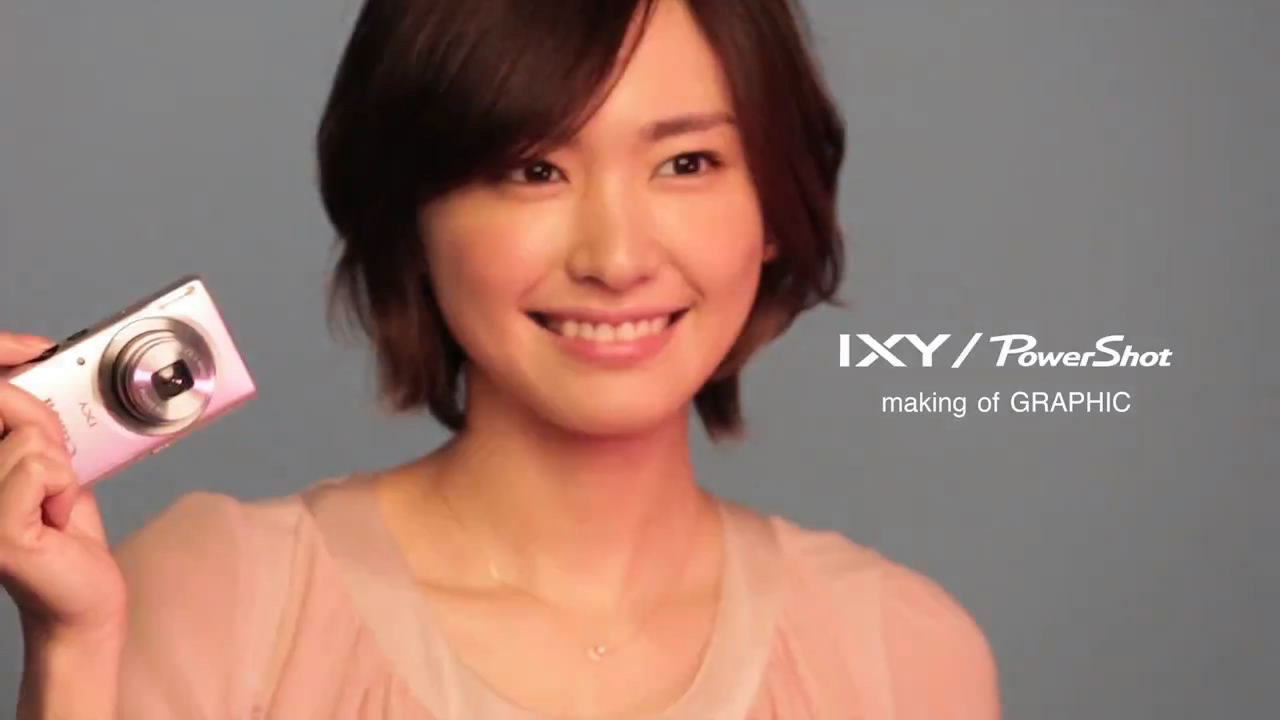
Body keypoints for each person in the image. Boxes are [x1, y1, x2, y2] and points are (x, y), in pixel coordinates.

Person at [0, 0, 1001, 717]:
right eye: (533, 169)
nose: (616, 258)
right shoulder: (218, 600)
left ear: (774, 208)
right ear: (413, 215)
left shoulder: (903, 653)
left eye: (686, 162)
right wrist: (75, 652)